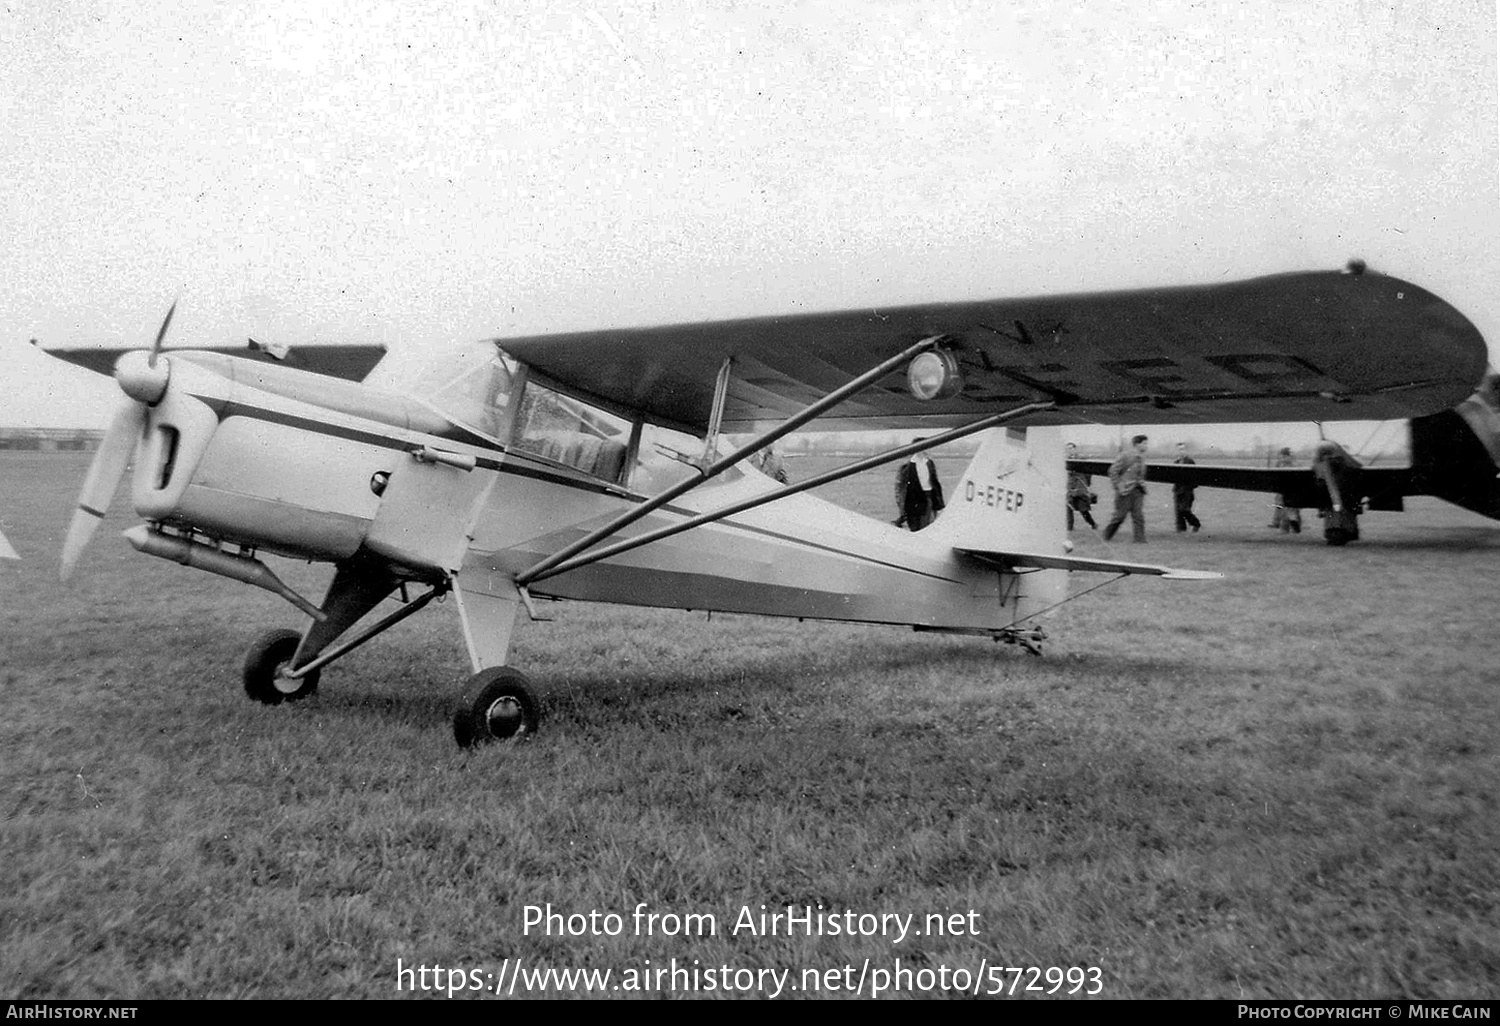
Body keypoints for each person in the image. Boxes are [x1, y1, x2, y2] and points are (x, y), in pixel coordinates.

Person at [1101, 434, 1149, 543]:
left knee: (1138, 516)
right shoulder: (1125, 455)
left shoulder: (1142, 457)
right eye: (1145, 443)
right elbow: (1112, 471)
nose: (1146, 446)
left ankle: (1140, 541)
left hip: (1138, 491)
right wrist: (1120, 486)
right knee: (1119, 517)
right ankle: (1105, 536)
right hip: (1125, 492)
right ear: (1137, 444)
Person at [895, 441, 945, 531]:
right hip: (913, 500)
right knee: (915, 527)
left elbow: (935, 482)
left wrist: (939, 502)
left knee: (926, 526)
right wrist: (901, 506)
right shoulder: (906, 466)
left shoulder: (929, 463)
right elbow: (900, 487)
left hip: (928, 498)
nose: (926, 451)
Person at [1064, 442, 1097, 530]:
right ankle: (1069, 528)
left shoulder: (1081, 460)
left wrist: (1086, 483)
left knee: (1083, 509)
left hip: (1080, 488)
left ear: (1075, 449)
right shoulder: (1064, 461)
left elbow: (1089, 472)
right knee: (1068, 507)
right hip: (1070, 487)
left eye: (1071, 448)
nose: (1069, 450)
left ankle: (1092, 523)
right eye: (1067, 449)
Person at [1172, 441, 1201, 533]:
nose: (1181, 452)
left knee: (1184, 509)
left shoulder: (1190, 462)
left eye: (1183, 449)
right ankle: (1181, 529)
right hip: (1177, 490)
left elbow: (1195, 477)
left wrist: (1188, 487)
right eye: (1179, 450)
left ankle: (1196, 523)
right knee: (1178, 511)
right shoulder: (1175, 463)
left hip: (1187, 490)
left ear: (1186, 450)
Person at [1270, 447, 1301, 532]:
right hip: (1281, 488)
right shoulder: (1279, 464)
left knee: (1291, 507)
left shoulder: (1294, 465)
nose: (1283, 459)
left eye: (1284, 456)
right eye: (1281, 457)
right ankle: (1276, 522)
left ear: (1289, 456)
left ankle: (1292, 525)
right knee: (1279, 504)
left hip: (1291, 489)